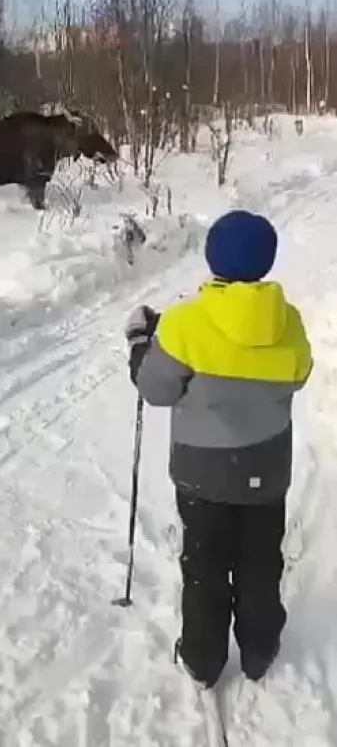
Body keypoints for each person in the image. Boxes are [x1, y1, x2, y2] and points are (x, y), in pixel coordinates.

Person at [125, 209, 313, 689]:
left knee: (205, 568)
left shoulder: (186, 323)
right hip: (266, 473)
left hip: (201, 474)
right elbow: (299, 373)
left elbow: (157, 389)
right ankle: (260, 651)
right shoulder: (288, 322)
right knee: (260, 563)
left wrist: (140, 344)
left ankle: (203, 661)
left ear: (213, 259)